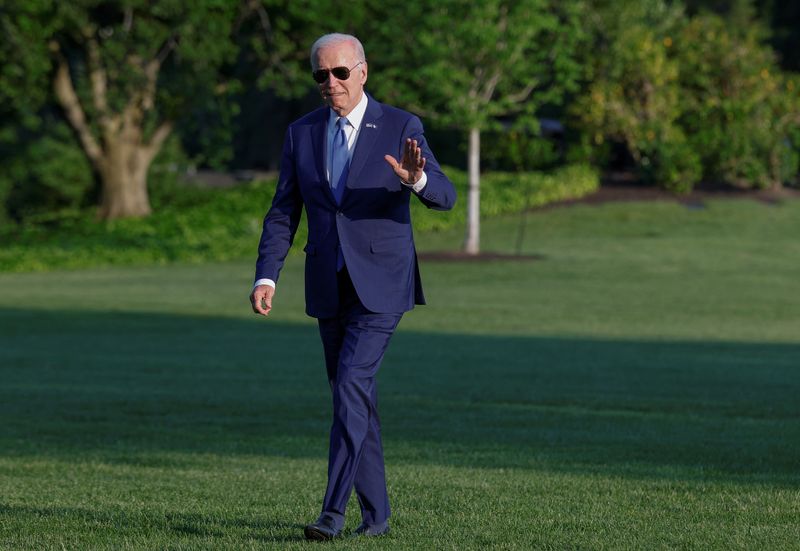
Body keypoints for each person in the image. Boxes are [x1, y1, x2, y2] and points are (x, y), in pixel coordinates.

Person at [249, 33, 456, 541]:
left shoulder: (401, 126)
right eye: (321, 74)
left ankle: (331, 514)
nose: (331, 83)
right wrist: (267, 274)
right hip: (326, 283)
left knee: (349, 387)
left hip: (383, 285)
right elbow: (284, 210)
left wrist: (416, 181)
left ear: (363, 72)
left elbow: (446, 195)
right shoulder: (300, 133)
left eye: (340, 72)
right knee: (354, 399)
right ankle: (378, 516)